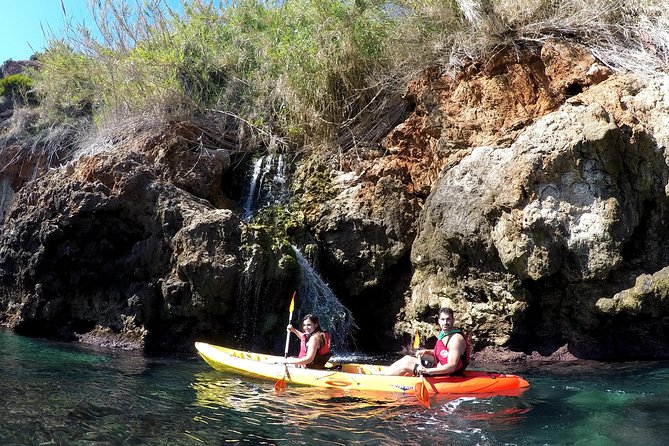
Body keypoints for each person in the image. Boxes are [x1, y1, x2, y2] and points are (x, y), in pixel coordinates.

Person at [378, 307, 470, 376]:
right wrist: (427, 352)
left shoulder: (456, 339)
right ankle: (382, 374)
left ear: (453, 320)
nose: (445, 322)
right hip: (438, 367)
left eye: (448, 319)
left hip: (447, 374)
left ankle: (380, 380)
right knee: (407, 358)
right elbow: (444, 353)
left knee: (406, 365)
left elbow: (452, 366)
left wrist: (427, 370)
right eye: (443, 319)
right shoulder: (444, 334)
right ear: (439, 321)